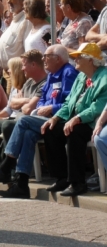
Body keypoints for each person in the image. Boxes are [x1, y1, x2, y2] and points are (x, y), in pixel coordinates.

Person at [0, 45, 78, 198]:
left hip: (62, 119)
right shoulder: (51, 75)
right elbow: (42, 100)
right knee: (28, 135)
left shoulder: (68, 73)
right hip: (45, 118)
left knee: (24, 121)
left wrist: (52, 107)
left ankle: (6, 166)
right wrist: (43, 107)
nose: (43, 59)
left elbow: (72, 103)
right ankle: (21, 184)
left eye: (47, 56)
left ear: (57, 58)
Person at [41, 43, 107, 197]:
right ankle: (62, 178)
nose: (74, 59)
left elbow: (99, 106)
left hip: (95, 122)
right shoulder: (81, 77)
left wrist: (77, 118)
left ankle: (77, 183)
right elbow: (68, 102)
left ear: (90, 60)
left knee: (74, 132)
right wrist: (56, 118)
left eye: (79, 56)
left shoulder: (104, 77)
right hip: (78, 118)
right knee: (50, 129)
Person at [0, 50, 47, 167]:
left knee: (7, 126)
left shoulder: (45, 83)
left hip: (27, 122)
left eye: (24, 65)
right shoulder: (28, 82)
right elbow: (12, 104)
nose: (22, 69)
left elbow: (27, 110)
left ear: (33, 64)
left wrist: (22, 103)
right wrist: (28, 101)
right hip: (15, 118)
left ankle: (10, 168)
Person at [0, 0, 31, 71]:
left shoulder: (27, 20)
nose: (8, 2)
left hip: (18, 72)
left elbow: (27, 49)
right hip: (8, 71)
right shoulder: (16, 18)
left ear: (23, 1)